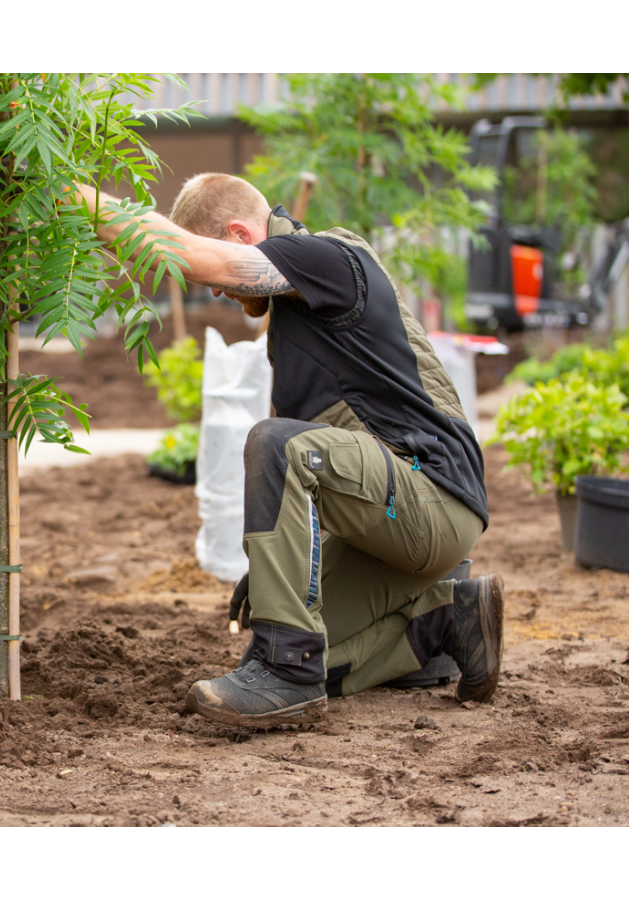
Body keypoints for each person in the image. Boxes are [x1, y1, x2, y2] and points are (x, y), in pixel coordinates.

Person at [74, 174, 502, 727]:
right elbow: (336, 474)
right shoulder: (299, 324)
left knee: (274, 447)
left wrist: (71, 197)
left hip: (430, 496)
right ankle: (445, 620)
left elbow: (203, 260)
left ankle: (287, 676)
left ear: (238, 234)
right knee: (297, 643)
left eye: (212, 275)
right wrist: (284, 566)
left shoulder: (326, 256)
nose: (215, 294)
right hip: (395, 527)